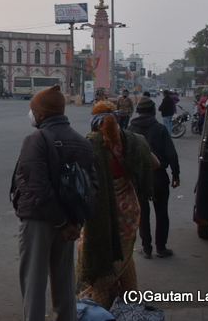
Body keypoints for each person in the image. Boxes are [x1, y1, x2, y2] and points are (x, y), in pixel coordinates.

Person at [13, 85, 97, 321]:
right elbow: (92, 187)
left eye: (32, 109)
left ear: (42, 113)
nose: (31, 113)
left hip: (39, 219)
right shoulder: (82, 141)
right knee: (64, 280)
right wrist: (75, 222)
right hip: (70, 222)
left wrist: (60, 221)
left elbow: (37, 186)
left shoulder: (36, 139)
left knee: (34, 281)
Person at [76, 101, 157, 308]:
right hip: (129, 210)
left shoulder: (91, 144)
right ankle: (131, 300)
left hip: (101, 214)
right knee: (123, 254)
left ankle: (98, 307)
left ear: (94, 122)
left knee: (100, 261)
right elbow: (155, 163)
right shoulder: (132, 141)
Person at [130, 96, 180, 258]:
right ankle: (161, 247)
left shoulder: (131, 130)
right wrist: (175, 174)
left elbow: (125, 155)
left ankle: (146, 248)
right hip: (159, 175)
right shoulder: (160, 129)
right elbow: (171, 154)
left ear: (137, 112)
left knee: (143, 213)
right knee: (161, 212)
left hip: (139, 177)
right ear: (153, 112)